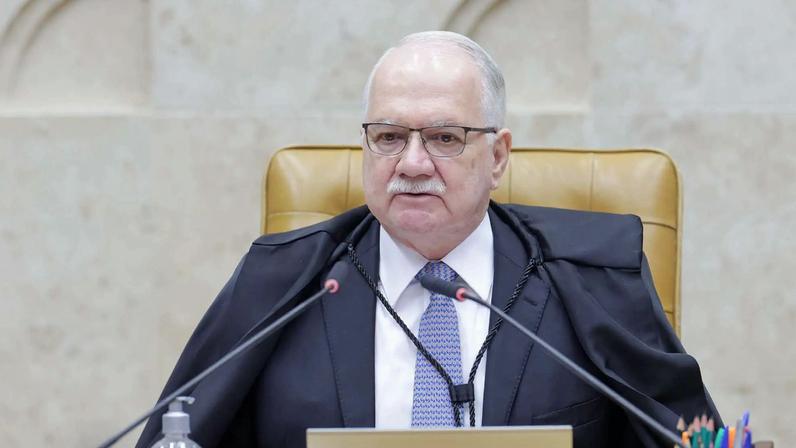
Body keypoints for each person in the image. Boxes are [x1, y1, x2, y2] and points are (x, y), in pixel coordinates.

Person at [136, 31, 719, 448]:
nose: (411, 163)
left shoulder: (593, 277)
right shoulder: (284, 283)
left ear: (498, 156)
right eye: (389, 136)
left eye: (444, 137)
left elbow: (695, 438)